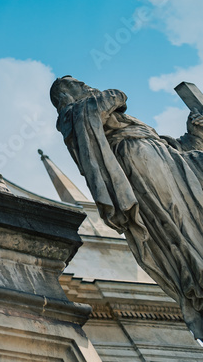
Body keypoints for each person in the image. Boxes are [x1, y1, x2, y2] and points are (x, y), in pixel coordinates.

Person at [51, 76, 203, 340]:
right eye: (77, 85)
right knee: (176, 223)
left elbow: (174, 150)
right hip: (140, 166)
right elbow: (110, 99)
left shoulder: (118, 119)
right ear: (66, 96)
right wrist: (114, 95)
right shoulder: (75, 114)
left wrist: (195, 133)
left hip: (167, 165)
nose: (86, 86)